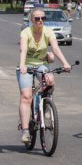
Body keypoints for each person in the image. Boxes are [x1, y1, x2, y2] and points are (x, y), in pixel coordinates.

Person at [17, 8, 71, 144]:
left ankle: (45, 104)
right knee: (26, 96)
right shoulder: (26, 32)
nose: (40, 20)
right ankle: (25, 131)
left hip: (41, 64)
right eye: (37, 18)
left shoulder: (48, 31)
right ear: (32, 20)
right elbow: (23, 49)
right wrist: (22, 65)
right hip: (26, 65)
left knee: (50, 80)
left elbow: (55, 48)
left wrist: (65, 63)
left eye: (43, 18)